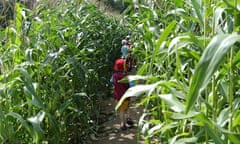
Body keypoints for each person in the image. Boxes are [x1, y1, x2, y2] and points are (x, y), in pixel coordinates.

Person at [110, 58, 134, 130]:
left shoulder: (114, 75)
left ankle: (122, 124)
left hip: (118, 96)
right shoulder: (127, 76)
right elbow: (132, 85)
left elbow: (111, 81)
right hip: (126, 96)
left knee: (121, 110)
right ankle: (128, 118)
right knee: (127, 107)